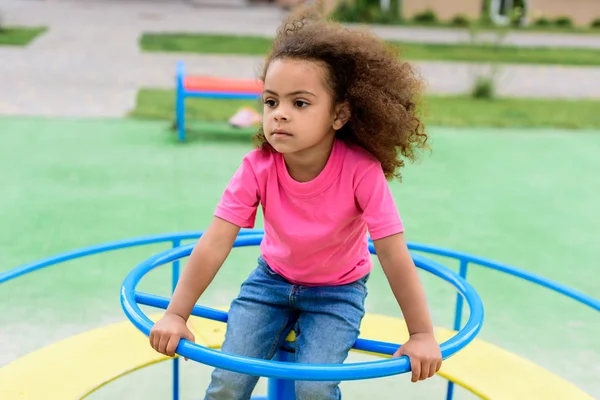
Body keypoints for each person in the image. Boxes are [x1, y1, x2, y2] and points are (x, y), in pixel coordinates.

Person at [150, 4, 442, 399]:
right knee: (228, 382)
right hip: (269, 283)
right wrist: (176, 313)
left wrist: (422, 333)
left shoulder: (361, 171)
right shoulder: (257, 167)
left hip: (337, 293)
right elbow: (217, 240)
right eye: (271, 102)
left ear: (339, 115)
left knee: (314, 388)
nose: (279, 115)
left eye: (299, 103)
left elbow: (392, 252)